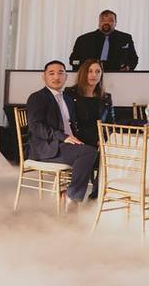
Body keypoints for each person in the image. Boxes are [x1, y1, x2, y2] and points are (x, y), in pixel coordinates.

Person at [25, 60, 98, 207]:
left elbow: (74, 127)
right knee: (88, 152)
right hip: (47, 147)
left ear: (66, 77)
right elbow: (35, 126)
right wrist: (63, 137)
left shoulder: (68, 99)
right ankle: (72, 198)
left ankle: (95, 197)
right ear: (44, 77)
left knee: (102, 155)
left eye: (60, 73)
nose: (56, 77)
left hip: (67, 146)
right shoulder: (37, 97)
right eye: (51, 73)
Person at [65, 59, 114, 199]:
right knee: (94, 154)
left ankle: (96, 196)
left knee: (111, 156)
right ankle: (74, 197)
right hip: (77, 140)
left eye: (98, 71)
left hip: (98, 141)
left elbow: (111, 123)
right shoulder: (70, 93)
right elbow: (64, 120)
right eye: (90, 71)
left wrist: (103, 138)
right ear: (83, 73)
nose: (94, 75)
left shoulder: (106, 97)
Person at [69, 10, 138, 71]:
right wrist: (83, 69)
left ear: (115, 23)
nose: (106, 22)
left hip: (117, 75)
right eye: (103, 20)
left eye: (110, 20)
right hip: (89, 75)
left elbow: (133, 59)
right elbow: (73, 60)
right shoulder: (83, 40)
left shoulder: (125, 38)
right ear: (99, 23)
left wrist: (127, 68)